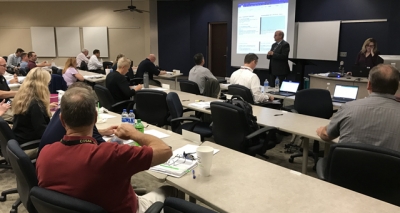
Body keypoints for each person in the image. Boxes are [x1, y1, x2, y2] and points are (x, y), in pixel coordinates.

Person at [37, 86, 176, 213]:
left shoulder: (45, 154)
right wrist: (133, 133)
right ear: (95, 117)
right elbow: (165, 151)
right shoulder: (110, 154)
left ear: (61, 120)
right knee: (169, 190)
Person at [316, 64, 400, 152]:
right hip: (388, 165)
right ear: (397, 87)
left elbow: (326, 135)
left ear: (369, 85)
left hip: (346, 164)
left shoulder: (348, 108)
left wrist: (321, 130)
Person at [39, 82, 118, 153]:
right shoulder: (84, 115)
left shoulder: (61, 112)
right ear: (95, 117)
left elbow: (80, 132)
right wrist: (116, 140)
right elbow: (102, 149)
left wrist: (103, 131)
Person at [12, 68, 57, 144]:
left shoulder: (24, 97)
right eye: (48, 83)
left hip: (20, 137)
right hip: (31, 143)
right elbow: (43, 132)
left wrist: (46, 107)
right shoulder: (36, 104)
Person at [0, 57, 18, 122]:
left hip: (8, 103)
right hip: (1, 108)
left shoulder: (2, 77)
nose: (6, 68)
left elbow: (8, 91)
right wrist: (18, 93)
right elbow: (1, 94)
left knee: (26, 109)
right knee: (19, 117)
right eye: (4, 66)